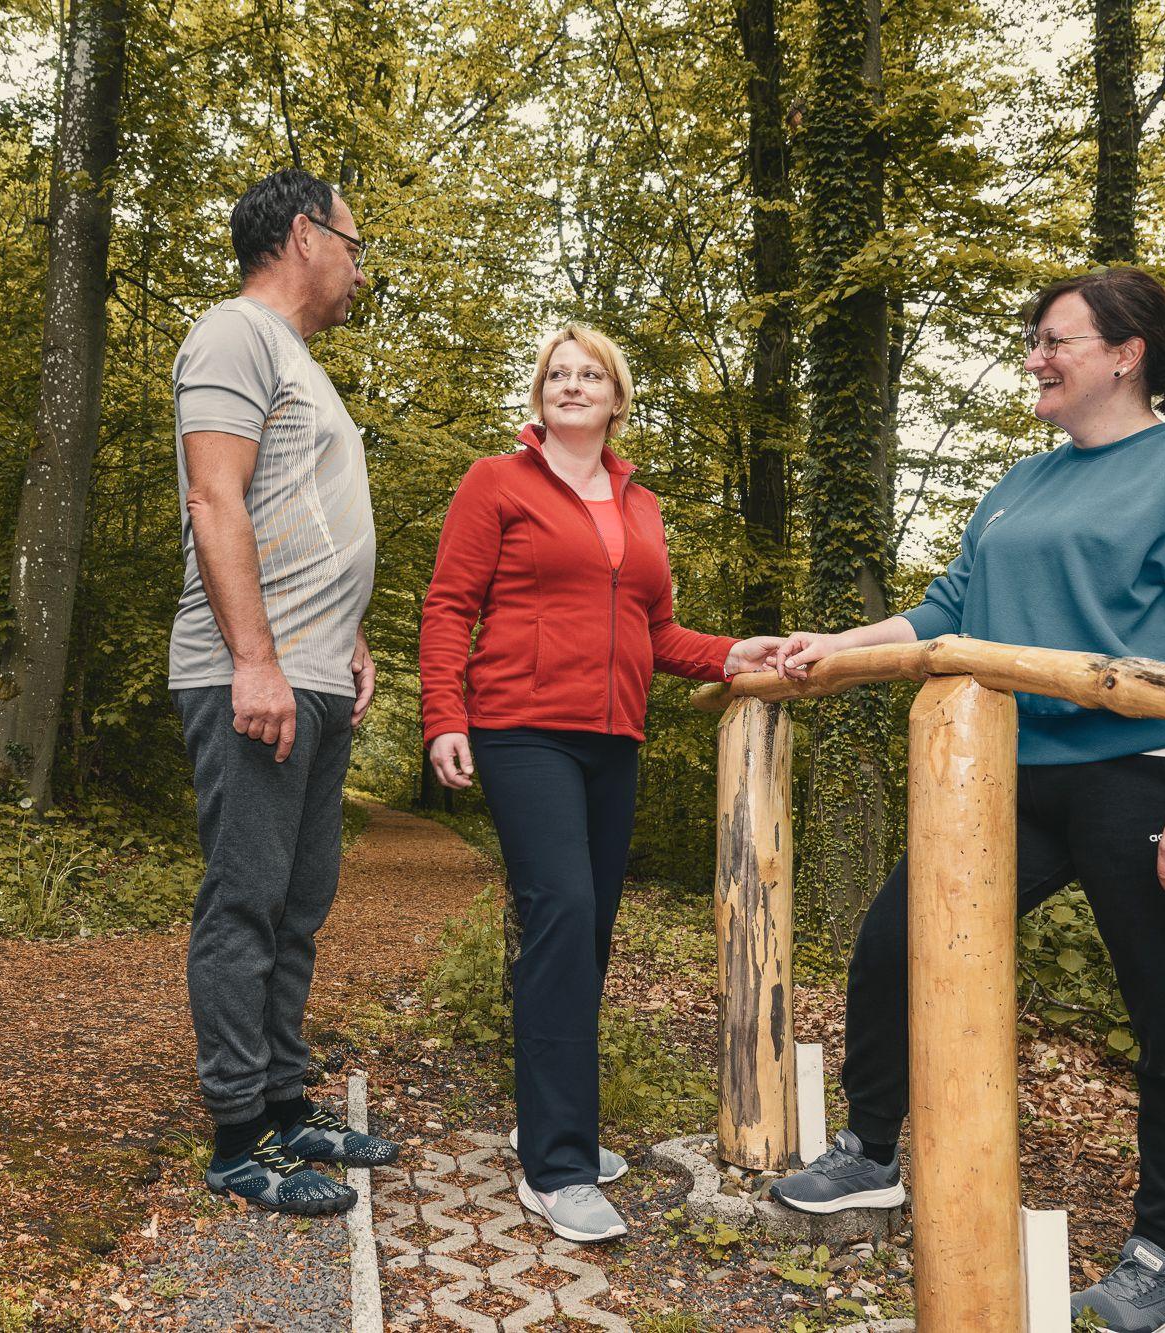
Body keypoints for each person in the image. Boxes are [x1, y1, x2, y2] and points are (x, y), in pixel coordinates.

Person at [765, 267, 1165, 1332]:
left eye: (1053, 340)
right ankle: (871, 1150)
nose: (1033, 358)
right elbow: (947, 609)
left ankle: (1160, 1258)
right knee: (891, 945)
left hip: (1147, 776)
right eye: (1032, 340)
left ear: (1124, 353)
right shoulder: (1022, 480)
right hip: (1007, 775)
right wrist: (832, 647)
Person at [419, 323, 783, 1243]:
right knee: (563, 914)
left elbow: (656, 633)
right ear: (540, 394)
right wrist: (444, 715)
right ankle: (558, 1165)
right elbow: (450, 604)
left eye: (591, 374)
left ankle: (547, 1118)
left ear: (618, 399)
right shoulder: (495, 482)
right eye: (557, 373)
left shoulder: (641, 503)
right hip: (520, 728)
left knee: (586, 936)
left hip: (614, 737)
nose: (571, 384)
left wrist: (736, 652)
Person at [170, 167, 398, 1216]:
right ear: (304, 235)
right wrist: (253, 659)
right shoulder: (235, 334)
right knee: (246, 904)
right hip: (248, 677)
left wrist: (343, 636)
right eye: (355, 245)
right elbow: (215, 496)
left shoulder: (301, 365)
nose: (360, 269)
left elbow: (295, 517)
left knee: (298, 906)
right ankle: (234, 1141)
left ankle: (282, 1099)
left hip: (310, 675)